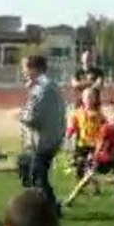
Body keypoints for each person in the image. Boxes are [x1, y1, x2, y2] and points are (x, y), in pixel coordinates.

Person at [17, 55, 66, 214]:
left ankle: (50, 208)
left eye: (25, 68)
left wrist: (19, 115)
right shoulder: (50, 85)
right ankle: (45, 204)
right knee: (32, 171)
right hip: (51, 137)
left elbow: (32, 117)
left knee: (38, 176)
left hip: (43, 141)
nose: (24, 72)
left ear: (34, 69)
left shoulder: (42, 88)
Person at [62, 99, 114, 209]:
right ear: (109, 114)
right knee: (87, 178)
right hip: (103, 158)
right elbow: (99, 144)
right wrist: (94, 156)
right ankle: (71, 198)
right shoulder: (106, 128)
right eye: (113, 111)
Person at [66, 86, 106, 184]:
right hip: (81, 144)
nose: (88, 99)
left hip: (95, 145)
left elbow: (104, 128)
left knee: (91, 166)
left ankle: (96, 187)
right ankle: (80, 184)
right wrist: (69, 133)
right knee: (79, 165)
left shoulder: (99, 115)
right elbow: (73, 125)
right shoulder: (78, 113)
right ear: (83, 99)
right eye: (86, 97)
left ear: (95, 99)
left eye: (91, 97)